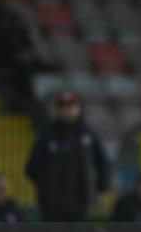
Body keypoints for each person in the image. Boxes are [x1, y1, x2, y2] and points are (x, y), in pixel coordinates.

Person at [25, 91, 109, 222]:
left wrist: (101, 188)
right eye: (64, 107)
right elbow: (32, 167)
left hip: (80, 200)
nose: (68, 110)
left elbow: (102, 162)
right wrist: (47, 186)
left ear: (78, 108)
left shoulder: (88, 133)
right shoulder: (47, 134)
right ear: (58, 110)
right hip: (52, 203)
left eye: (72, 106)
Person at [0, 0, 40, 112]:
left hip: (20, 57)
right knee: (23, 68)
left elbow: (26, 39)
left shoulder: (16, 18)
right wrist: (18, 54)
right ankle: (26, 104)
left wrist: (30, 52)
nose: (8, 0)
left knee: (44, 65)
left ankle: (31, 102)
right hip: (1, 58)